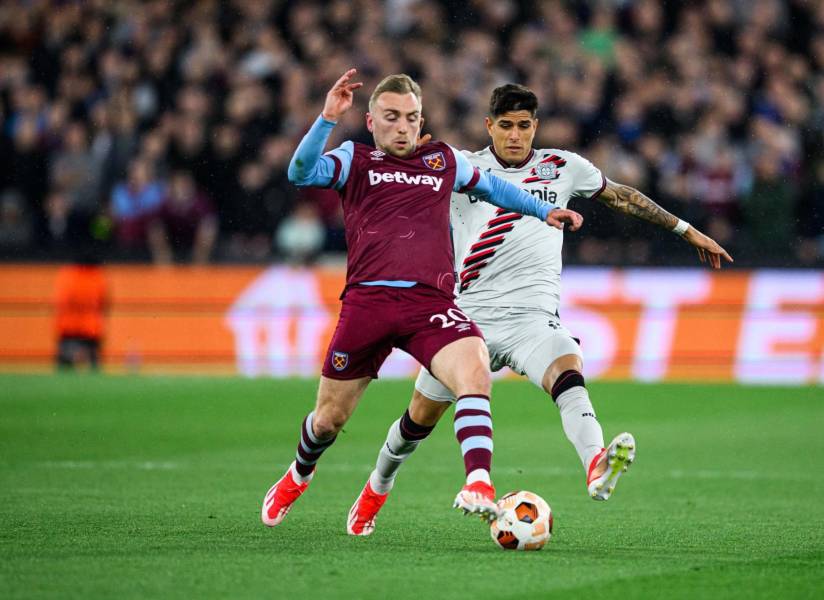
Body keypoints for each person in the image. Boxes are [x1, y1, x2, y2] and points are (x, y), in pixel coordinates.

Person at [350, 83, 734, 536]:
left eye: (525, 126)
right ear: (490, 126)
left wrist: (686, 230)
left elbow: (621, 196)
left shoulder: (564, 167)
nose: (516, 136)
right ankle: (377, 487)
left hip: (532, 318)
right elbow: (400, 170)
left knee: (568, 372)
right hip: (464, 318)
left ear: (536, 126)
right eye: (506, 126)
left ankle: (595, 463)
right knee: (417, 421)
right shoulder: (461, 167)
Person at [260, 70, 584, 530]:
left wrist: (543, 209)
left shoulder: (442, 161)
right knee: (329, 421)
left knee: (474, 365)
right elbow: (301, 172)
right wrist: (327, 119)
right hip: (367, 305)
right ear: (371, 121)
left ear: (421, 121)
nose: (402, 127)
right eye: (391, 117)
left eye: (411, 118)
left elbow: (496, 189)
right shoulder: (355, 159)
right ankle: (298, 474)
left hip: (430, 305)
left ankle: (478, 482)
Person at [54, 252, 109, 371]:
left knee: (65, 362)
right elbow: (103, 302)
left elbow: (61, 301)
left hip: (68, 324)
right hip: (91, 325)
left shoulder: (67, 275)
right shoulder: (97, 276)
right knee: (93, 362)